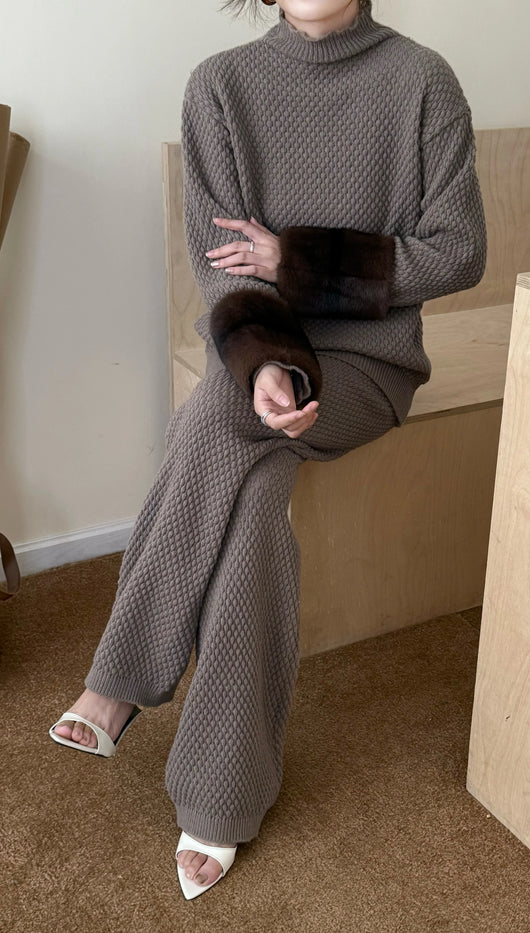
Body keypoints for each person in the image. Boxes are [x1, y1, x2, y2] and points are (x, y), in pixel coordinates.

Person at [49, 0, 486, 900]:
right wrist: (265, 364)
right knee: (249, 492)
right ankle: (220, 792)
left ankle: (119, 682)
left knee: (212, 417)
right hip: (255, 353)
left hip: (369, 366)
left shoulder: (423, 82)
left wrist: (296, 261)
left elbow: (458, 252)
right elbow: (220, 270)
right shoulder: (221, 87)